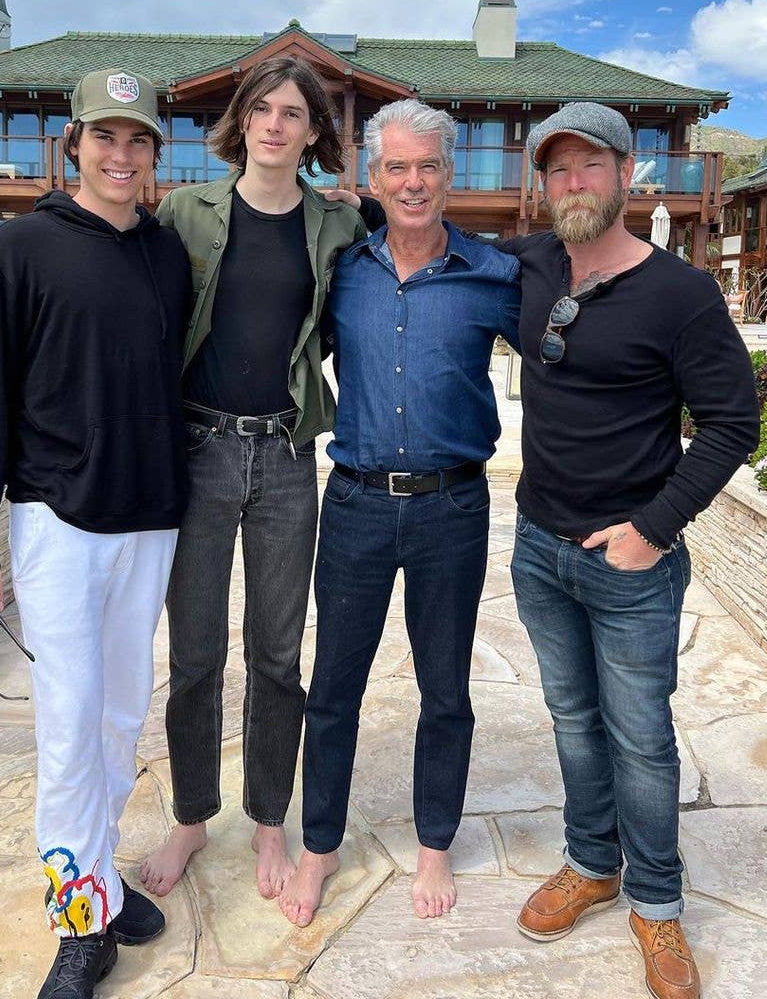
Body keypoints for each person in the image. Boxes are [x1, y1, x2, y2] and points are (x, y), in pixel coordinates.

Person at [0, 68, 192, 999]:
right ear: (73, 145)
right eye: (105, 138)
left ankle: (99, 868)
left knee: (122, 715)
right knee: (68, 724)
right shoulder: (19, 249)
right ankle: (79, 920)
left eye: (137, 141)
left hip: (150, 518)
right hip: (57, 521)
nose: (120, 155)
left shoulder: (167, 254)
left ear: (152, 155)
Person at [505, 104, 758, 999]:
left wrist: (654, 530)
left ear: (629, 174)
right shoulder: (533, 266)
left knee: (642, 742)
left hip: (630, 565)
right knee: (573, 724)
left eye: (589, 167)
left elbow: (734, 424)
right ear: (544, 185)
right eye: (557, 170)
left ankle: (657, 903)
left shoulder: (680, 296)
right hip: (539, 549)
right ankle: (591, 864)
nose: (573, 184)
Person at [278, 98, 520, 928]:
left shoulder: (495, 276)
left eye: (428, 167)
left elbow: (573, 359)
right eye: (396, 168)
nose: (413, 182)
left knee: (445, 690)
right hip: (355, 507)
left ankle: (434, 845)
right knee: (334, 689)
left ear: (449, 175)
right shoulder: (342, 269)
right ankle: (319, 849)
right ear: (371, 177)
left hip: (454, 507)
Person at [138, 57, 366, 902]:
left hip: (285, 458)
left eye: (294, 114)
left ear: (314, 133)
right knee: (195, 653)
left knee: (276, 654)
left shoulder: (333, 224)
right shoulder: (182, 212)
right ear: (243, 121)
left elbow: (391, 250)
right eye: (262, 109)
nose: (276, 124)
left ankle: (270, 819)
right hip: (197, 453)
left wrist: (365, 201)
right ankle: (194, 815)